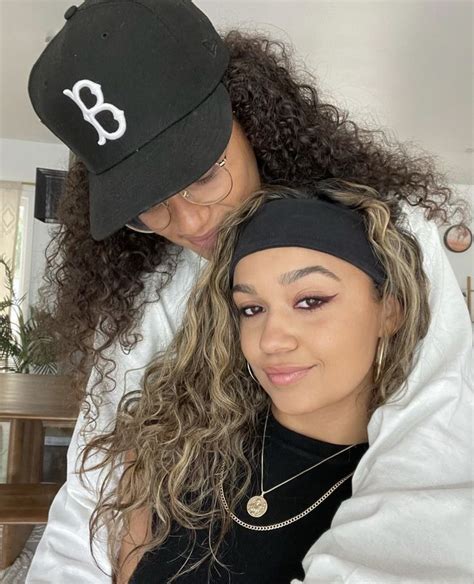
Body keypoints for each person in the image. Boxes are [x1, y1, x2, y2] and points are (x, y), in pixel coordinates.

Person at [25, 0, 472, 582]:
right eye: (148, 203)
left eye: (205, 173)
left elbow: (432, 455)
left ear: (251, 117)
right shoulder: (154, 285)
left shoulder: (386, 232)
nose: (187, 223)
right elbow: (93, 490)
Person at [84, 186, 429, 584]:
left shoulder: (396, 505)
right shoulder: (172, 443)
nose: (270, 340)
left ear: (389, 311)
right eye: (252, 309)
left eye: (310, 301)